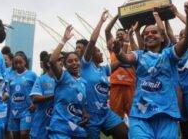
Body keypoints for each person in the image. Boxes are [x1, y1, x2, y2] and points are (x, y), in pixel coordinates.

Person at [112, 1, 188, 139]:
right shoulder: (139, 55)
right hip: (141, 114)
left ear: (162, 37)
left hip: (166, 114)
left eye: (154, 32)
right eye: (146, 33)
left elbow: (187, 40)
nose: (149, 34)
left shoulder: (169, 55)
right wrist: (117, 50)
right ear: (143, 39)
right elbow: (125, 58)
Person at [82, 10, 128, 139]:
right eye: (98, 51)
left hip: (105, 113)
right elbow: (92, 41)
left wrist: (126, 42)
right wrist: (101, 21)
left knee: (124, 133)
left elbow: (122, 60)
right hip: (90, 115)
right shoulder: (85, 66)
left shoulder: (103, 70)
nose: (101, 53)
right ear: (91, 55)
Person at [48, 25, 89, 138]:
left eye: (76, 60)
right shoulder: (63, 76)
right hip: (60, 128)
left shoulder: (83, 83)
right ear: (65, 65)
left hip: (77, 129)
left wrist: (85, 113)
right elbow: (52, 61)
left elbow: (82, 103)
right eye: (70, 61)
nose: (74, 63)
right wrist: (64, 40)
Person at [105, 14, 136, 119]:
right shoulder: (112, 48)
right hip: (116, 85)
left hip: (130, 84)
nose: (118, 35)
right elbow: (107, 31)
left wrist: (130, 37)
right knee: (116, 118)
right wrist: (118, 15)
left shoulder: (131, 48)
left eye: (121, 34)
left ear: (126, 35)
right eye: (117, 34)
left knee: (134, 116)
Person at [6, 51, 37, 139]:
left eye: (20, 62)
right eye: (16, 63)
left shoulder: (32, 75)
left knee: (24, 134)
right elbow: (8, 92)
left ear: (25, 62)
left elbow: (38, 90)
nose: (18, 65)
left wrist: (35, 103)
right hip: (14, 110)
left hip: (27, 110)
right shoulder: (10, 76)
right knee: (16, 136)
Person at [29, 51, 55, 139]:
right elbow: (35, 98)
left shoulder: (63, 80)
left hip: (57, 126)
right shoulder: (41, 79)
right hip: (41, 125)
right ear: (49, 63)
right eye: (58, 60)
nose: (61, 62)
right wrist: (53, 96)